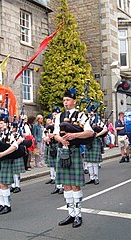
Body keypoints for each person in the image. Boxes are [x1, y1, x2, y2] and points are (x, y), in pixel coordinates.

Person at [53, 88, 94, 228]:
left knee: (75, 185)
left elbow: (90, 132)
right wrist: (61, 140)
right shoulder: (59, 116)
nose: (65, 103)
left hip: (74, 151)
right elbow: (55, 134)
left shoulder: (81, 115)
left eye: (68, 100)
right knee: (66, 185)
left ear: (74, 101)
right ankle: (70, 214)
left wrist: (74, 136)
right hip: (62, 151)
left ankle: (78, 215)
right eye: (64, 100)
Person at [0, 117, 24, 215]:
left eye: (3, 123)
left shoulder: (12, 134)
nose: (1, 125)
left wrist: (2, 154)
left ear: (7, 124)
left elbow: (14, 147)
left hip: (5, 160)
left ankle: (7, 205)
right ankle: (1, 204)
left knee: (3, 184)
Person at [84, 112, 107, 185]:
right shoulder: (85, 121)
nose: (90, 113)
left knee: (94, 161)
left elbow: (105, 129)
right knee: (89, 161)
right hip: (87, 141)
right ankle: (91, 178)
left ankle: (96, 178)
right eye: (89, 112)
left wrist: (97, 135)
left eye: (91, 112)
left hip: (95, 141)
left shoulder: (98, 121)